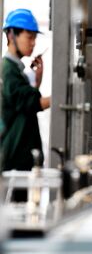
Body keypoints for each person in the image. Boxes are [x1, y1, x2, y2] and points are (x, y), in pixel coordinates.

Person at [1, 9, 50, 172]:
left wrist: (37, 81)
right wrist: (65, 97)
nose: (33, 43)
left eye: (34, 38)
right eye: (29, 37)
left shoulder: (15, 69)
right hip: (14, 163)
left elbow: (24, 104)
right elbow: (32, 103)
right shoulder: (8, 70)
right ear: (11, 35)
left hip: (20, 162)